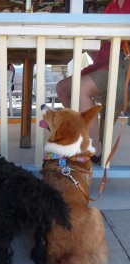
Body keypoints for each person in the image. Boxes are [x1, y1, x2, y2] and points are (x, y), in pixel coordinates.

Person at [56, 0, 130, 163]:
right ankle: (82, 134)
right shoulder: (112, 6)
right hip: (100, 64)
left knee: (81, 89)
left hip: (119, 66)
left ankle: (95, 150)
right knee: (63, 88)